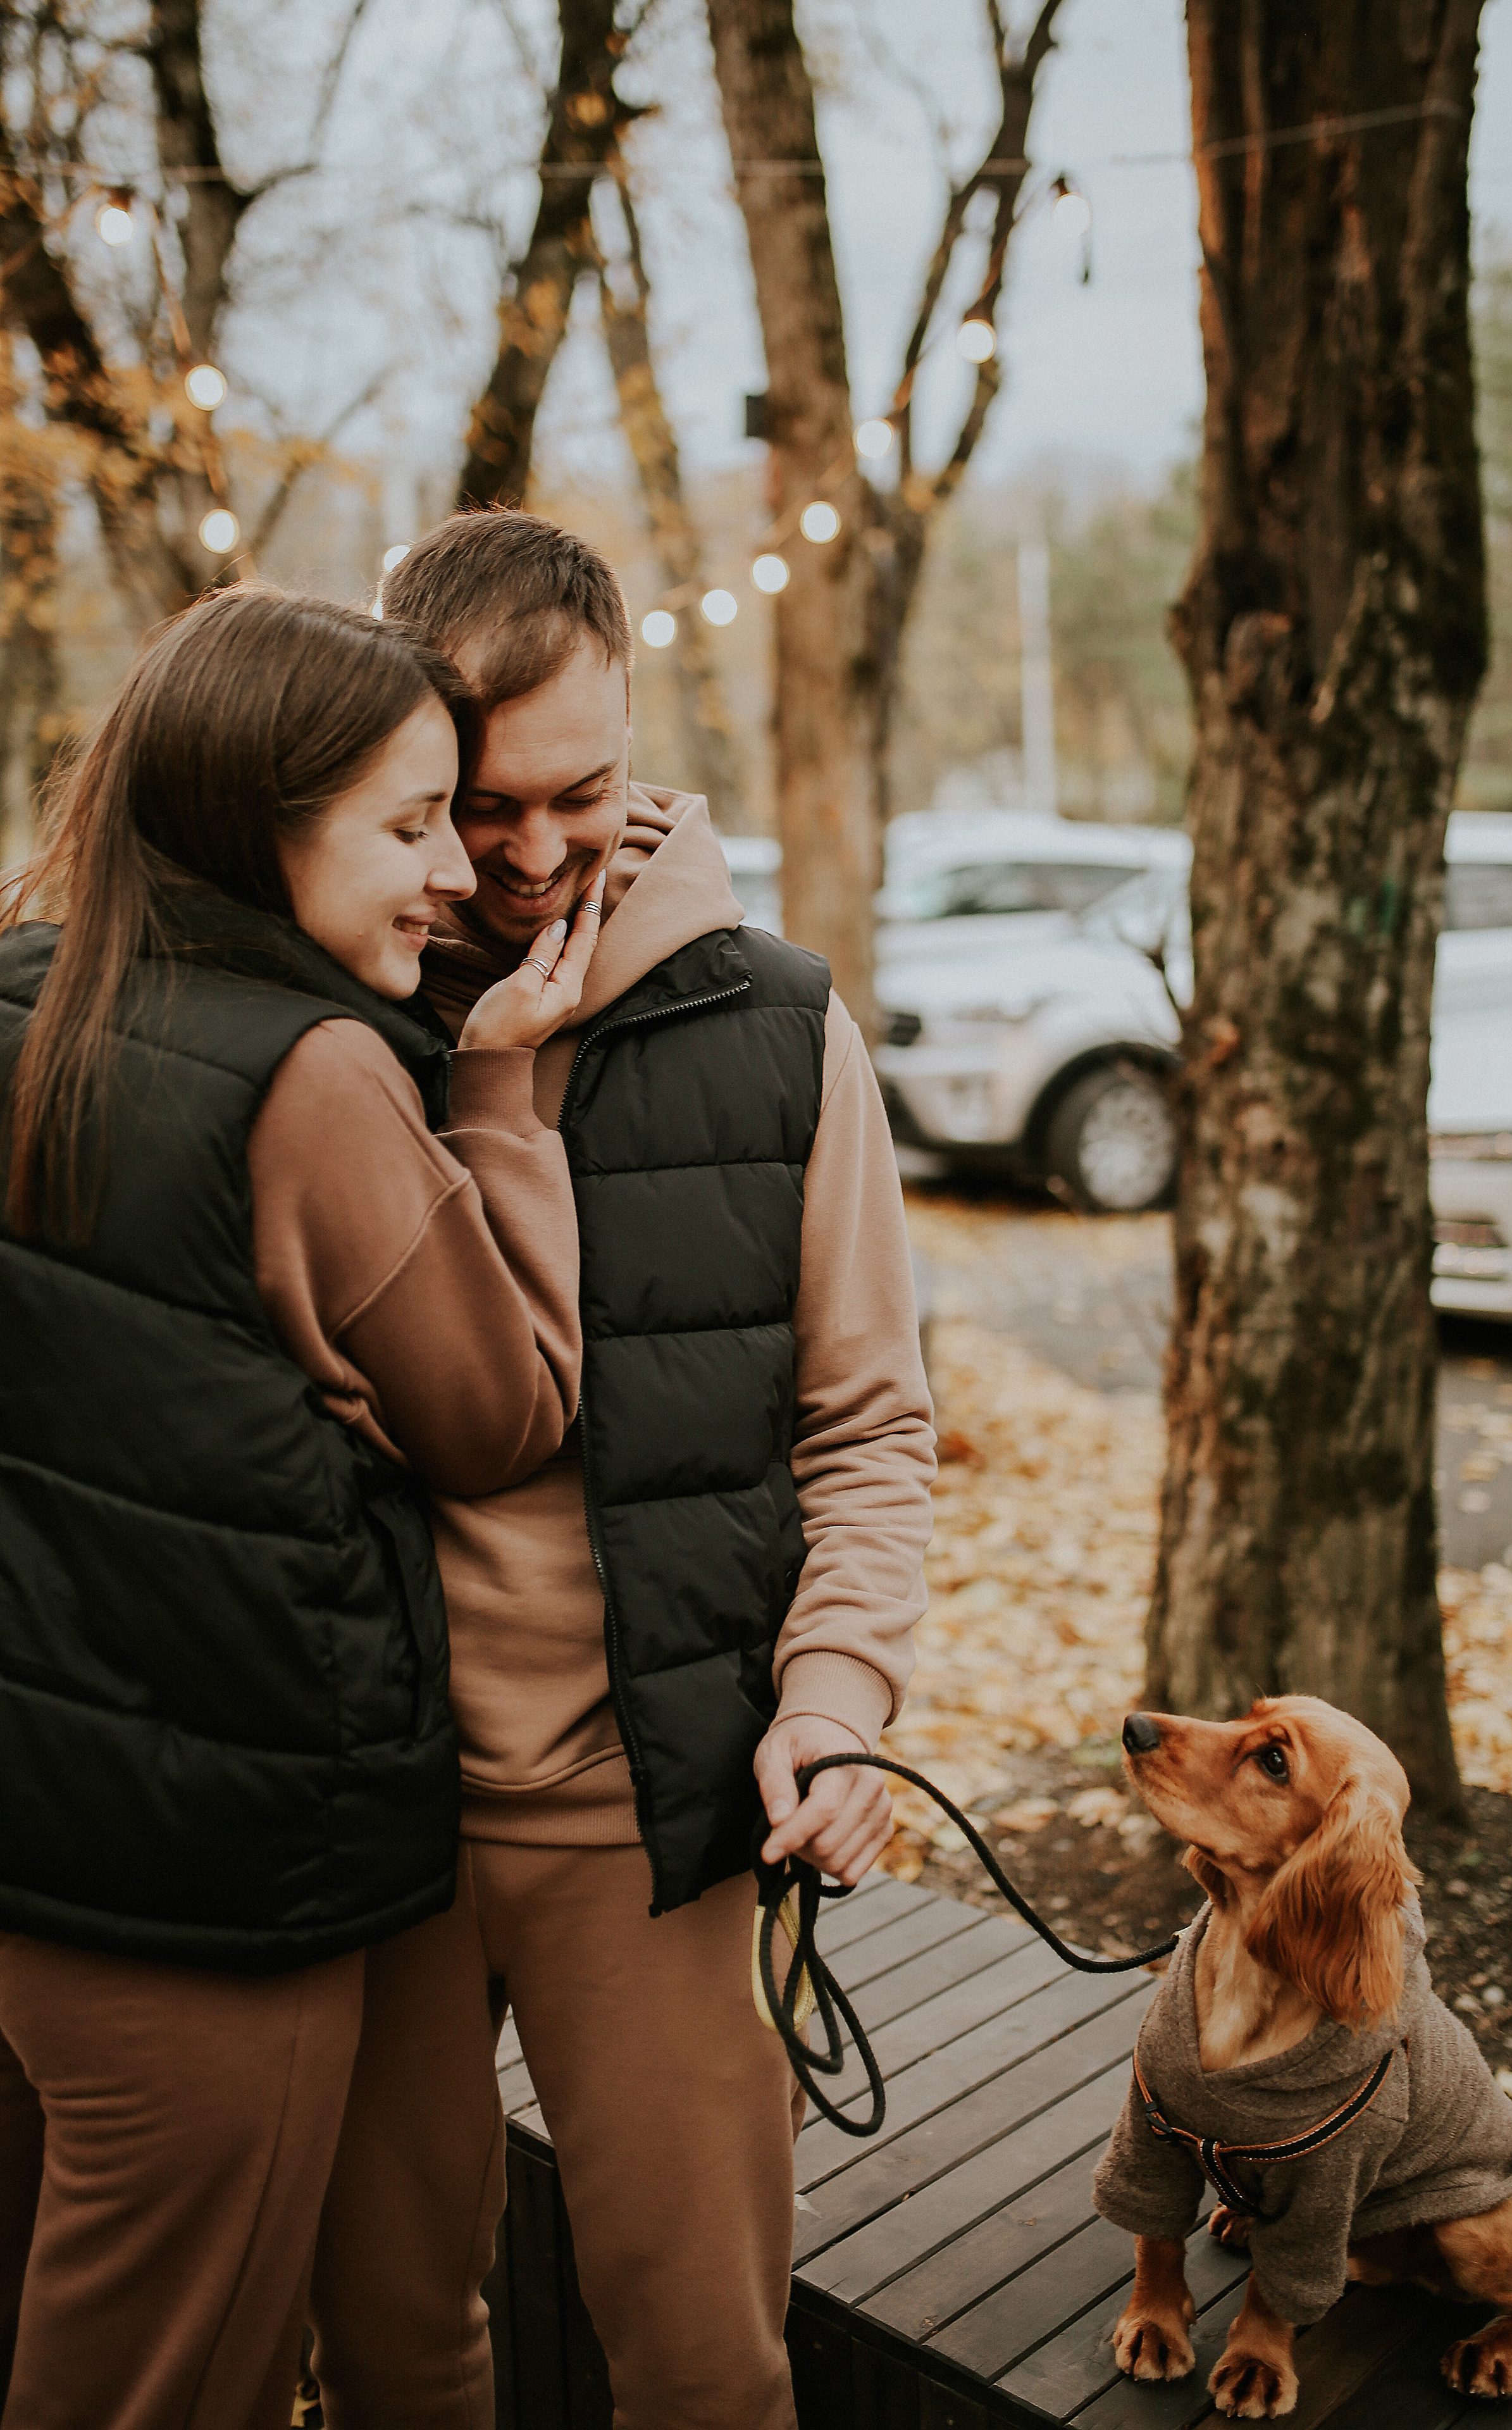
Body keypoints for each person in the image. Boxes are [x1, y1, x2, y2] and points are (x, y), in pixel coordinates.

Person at [307, 511, 936, 2430]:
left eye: (576, 793)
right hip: (372, 1811)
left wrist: (835, 1700)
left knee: (706, 2362)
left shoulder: (778, 1025)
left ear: (639, 737)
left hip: (657, 1816)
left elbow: (870, 1422)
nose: (523, 854)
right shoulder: (328, 1019)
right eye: (476, 807)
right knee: (397, 2343)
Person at [0, 584, 604, 2430]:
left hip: (34, 1829)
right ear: (262, 818)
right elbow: (505, 1410)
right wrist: (495, 1084)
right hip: (208, 1868)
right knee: (174, 2370)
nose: (448, 873)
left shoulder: (23, 985)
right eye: (407, 823)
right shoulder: (322, 1070)